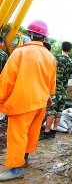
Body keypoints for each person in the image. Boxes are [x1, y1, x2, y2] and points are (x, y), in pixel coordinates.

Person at [0, 20, 56, 181]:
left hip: (22, 102)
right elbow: (51, 85)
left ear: (30, 34)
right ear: (44, 38)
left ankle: (16, 168)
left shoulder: (20, 53)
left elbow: (7, 80)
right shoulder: (50, 57)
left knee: (17, 135)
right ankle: (24, 159)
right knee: (31, 132)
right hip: (40, 103)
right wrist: (48, 100)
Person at [40, 41, 72, 140]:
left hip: (54, 89)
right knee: (59, 111)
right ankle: (54, 130)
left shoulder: (55, 58)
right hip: (63, 89)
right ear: (70, 50)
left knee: (51, 110)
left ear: (61, 47)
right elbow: (69, 75)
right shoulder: (71, 62)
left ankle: (46, 132)